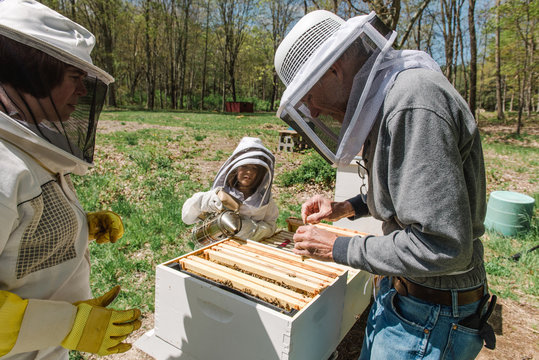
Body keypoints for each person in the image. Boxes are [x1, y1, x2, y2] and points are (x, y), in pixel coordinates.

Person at [274, 10, 496, 360]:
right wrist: (347, 207)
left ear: (333, 70)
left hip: (431, 315)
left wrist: (338, 248)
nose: (313, 113)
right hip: (409, 297)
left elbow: (442, 247)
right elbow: (406, 185)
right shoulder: (393, 97)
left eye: (309, 97)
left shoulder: (412, 102)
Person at [0, 1, 141, 359]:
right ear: (31, 74)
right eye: (74, 78)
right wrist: (67, 326)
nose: (82, 92)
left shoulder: (20, 146)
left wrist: (75, 226)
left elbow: (17, 229)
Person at [182, 137, 278, 242]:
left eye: (254, 168)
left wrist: (252, 229)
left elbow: (271, 226)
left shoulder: (264, 200)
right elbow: (187, 217)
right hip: (217, 248)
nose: (249, 172)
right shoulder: (221, 193)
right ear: (236, 168)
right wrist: (205, 200)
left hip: (249, 252)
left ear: (260, 173)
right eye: (244, 166)